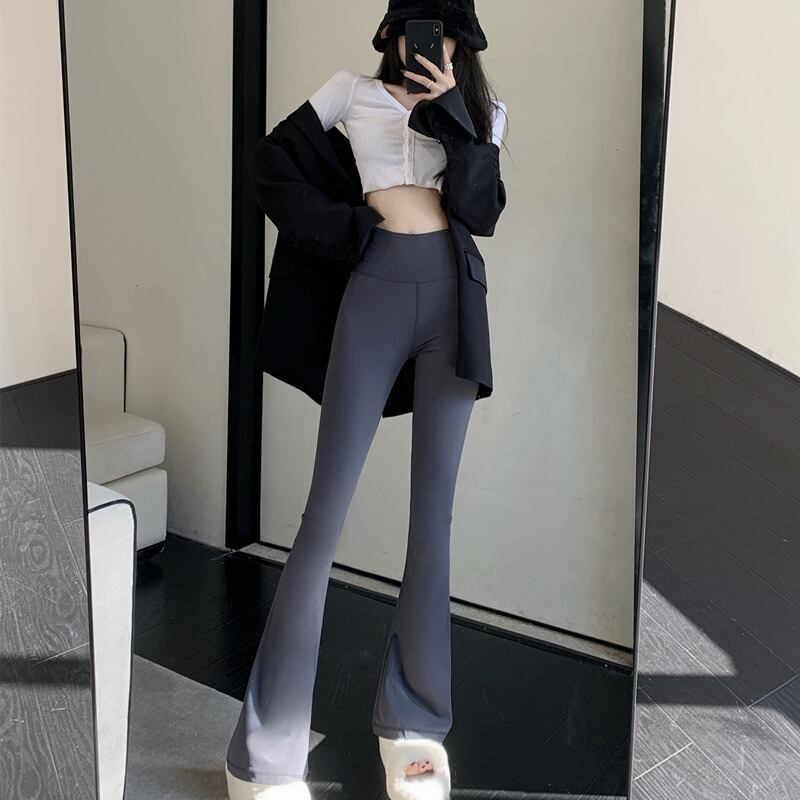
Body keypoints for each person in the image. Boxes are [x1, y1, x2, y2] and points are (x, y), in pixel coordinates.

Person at [225, 2, 507, 798]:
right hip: (375, 290)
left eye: (446, 34)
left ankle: (415, 728)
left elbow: (481, 212)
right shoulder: (350, 92)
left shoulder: (482, 113)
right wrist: (349, 228)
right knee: (323, 518)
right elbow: (269, 163)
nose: (432, 45)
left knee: (433, 522)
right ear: (391, 35)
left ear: (462, 44)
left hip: (453, 302)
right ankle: (265, 752)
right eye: (419, 30)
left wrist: (455, 118)